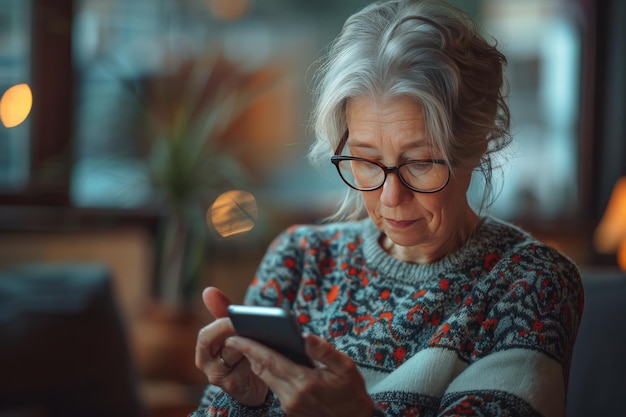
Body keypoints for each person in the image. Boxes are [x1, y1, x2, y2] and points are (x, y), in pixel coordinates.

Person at [190, 0, 584, 416]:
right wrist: (247, 403)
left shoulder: (528, 285)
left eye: (419, 163)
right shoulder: (301, 260)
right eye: (366, 160)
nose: (391, 197)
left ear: (476, 144)